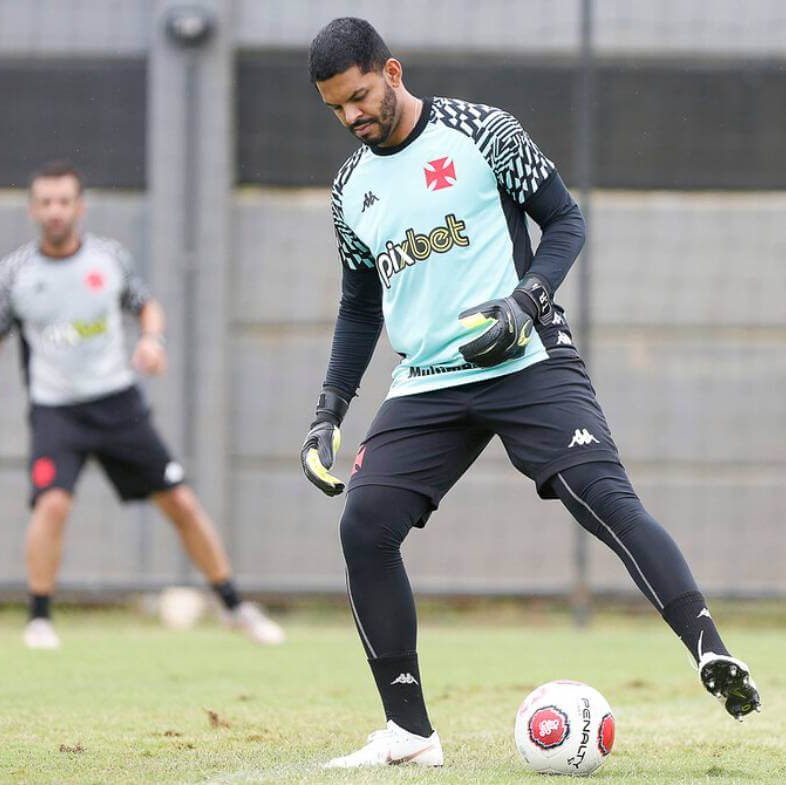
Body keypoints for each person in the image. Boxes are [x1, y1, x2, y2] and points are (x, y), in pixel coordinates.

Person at [300, 18, 761, 767]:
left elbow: (565, 222)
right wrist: (328, 411)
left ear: (390, 70)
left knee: (604, 496)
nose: (351, 117)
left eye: (357, 97)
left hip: (526, 358)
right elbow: (359, 307)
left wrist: (525, 303)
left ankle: (710, 650)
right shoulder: (351, 189)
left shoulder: (483, 132)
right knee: (366, 524)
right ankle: (411, 733)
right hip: (427, 381)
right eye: (335, 109)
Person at [0, 161, 283, 650]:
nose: (55, 211)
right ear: (33, 210)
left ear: (80, 207)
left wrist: (153, 339)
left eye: (64, 201)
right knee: (51, 504)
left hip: (118, 405)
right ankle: (39, 619)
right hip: (56, 412)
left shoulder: (109, 259)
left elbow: (146, 305)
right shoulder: (15, 274)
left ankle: (234, 605)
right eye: (46, 202)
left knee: (180, 501)